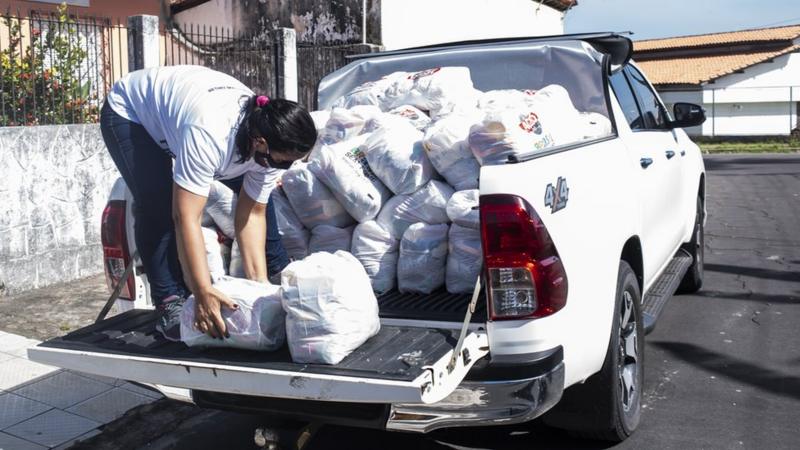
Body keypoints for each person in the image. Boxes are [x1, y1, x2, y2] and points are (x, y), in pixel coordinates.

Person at [100, 65, 317, 341]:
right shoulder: (210, 135)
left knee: (261, 198)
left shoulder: (269, 141)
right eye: (283, 161)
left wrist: (259, 289)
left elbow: (252, 215)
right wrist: (202, 291)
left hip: (196, 110)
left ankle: (272, 271)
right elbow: (186, 217)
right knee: (157, 204)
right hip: (131, 113)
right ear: (260, 142)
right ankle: (169, 300)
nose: (286, 168)